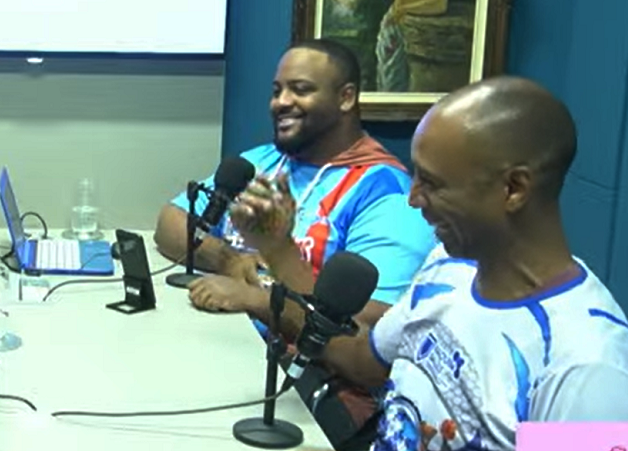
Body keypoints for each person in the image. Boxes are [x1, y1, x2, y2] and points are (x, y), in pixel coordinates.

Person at [230, 76, 628, 450]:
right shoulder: (448, 266)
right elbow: (362, 361)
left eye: (432, 184)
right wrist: (278, 253)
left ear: (513, 189)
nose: (413, 199)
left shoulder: (597, 373)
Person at [153, 40, 437, 440]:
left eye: (300, 90)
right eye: (277, 90)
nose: (281, 102)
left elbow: (365, 335)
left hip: (301, 393)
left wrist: (256, 298)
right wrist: (229, 260)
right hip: (217, 348)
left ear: (346, 97)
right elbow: (171, 222)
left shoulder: (388, 194)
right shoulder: (263, 161)